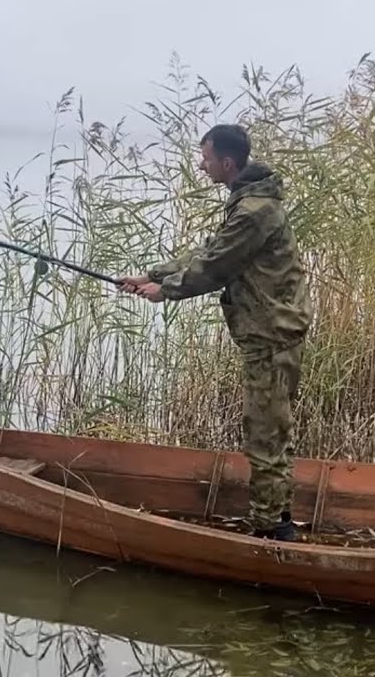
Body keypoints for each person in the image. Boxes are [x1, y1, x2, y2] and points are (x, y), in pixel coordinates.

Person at [119, 124, 312, 542]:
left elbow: (216, 266)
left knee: (266, 430)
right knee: (270, 425)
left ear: (227, 162)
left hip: (271, 333)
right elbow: (210, 251)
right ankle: (275, 517)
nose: (201, 164)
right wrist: (151, 275)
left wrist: (164, 291)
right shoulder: (248, 203)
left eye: (205, 158)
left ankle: (272, 530)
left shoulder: (254, 211)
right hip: (270, 330)